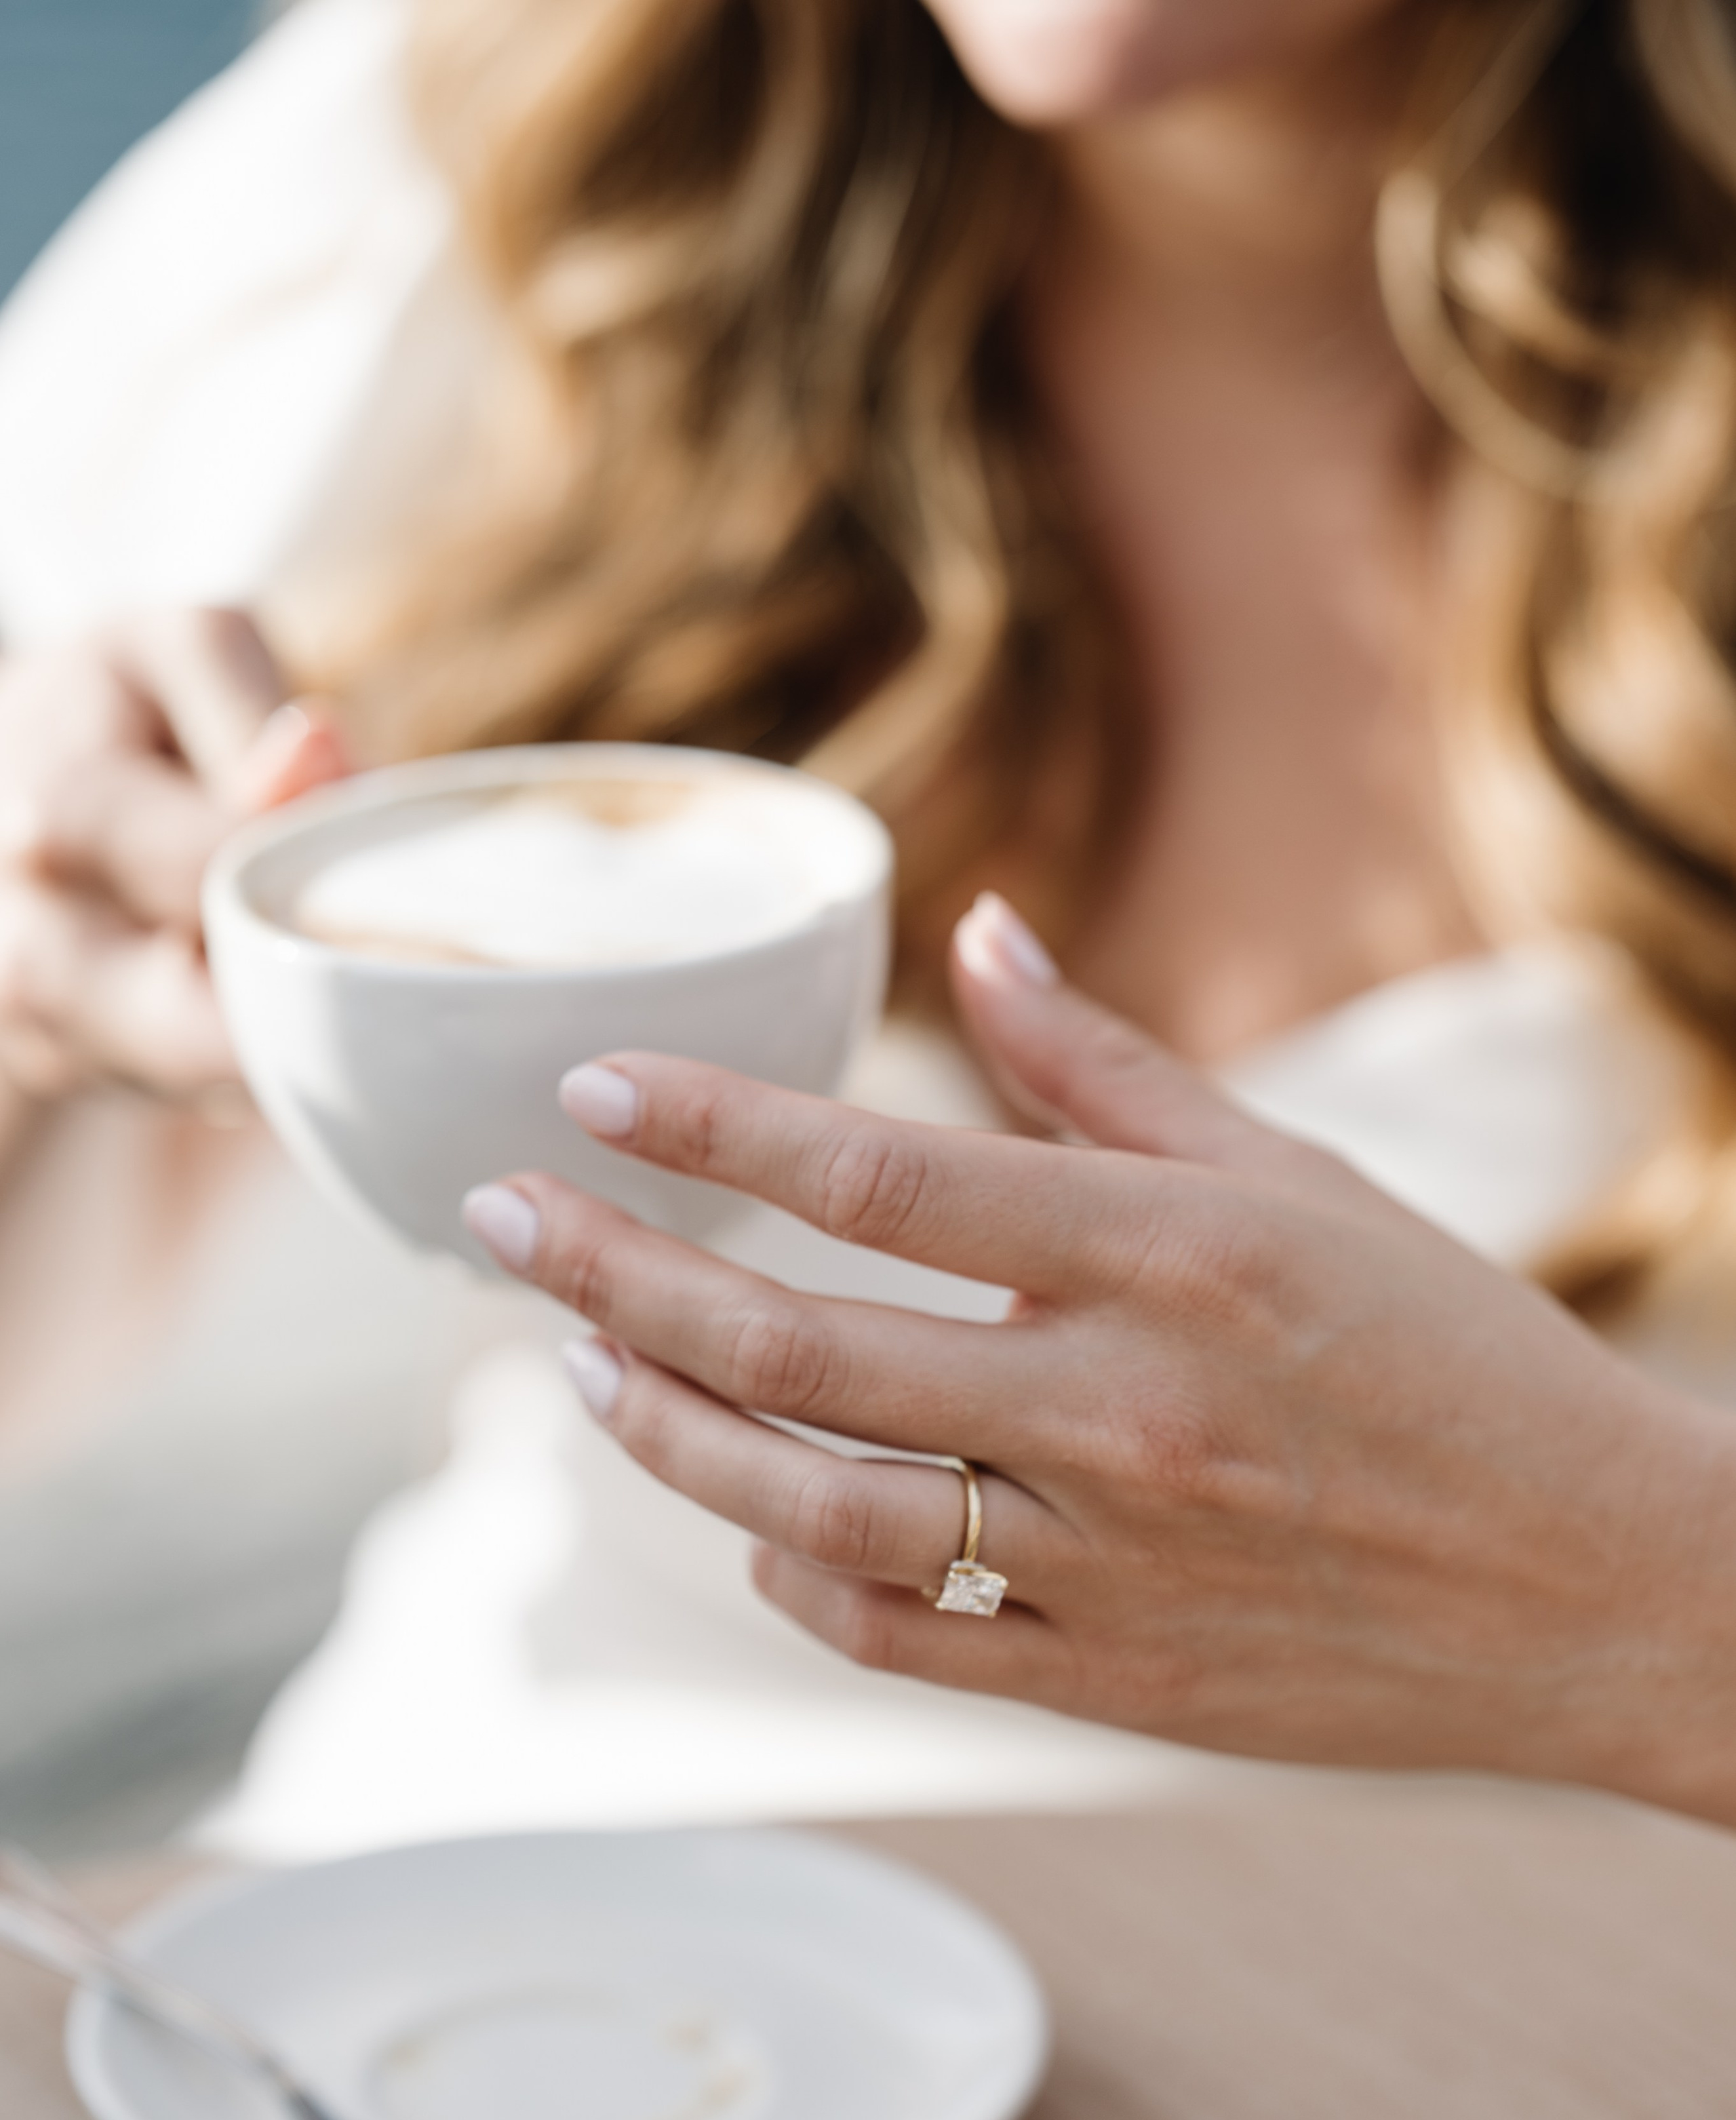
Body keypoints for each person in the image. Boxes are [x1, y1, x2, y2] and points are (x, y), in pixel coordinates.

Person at [2, 0, 1734, 1848]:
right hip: (495, 1935)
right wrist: (34, 1001)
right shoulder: (455, 178)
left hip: (1555, 2051)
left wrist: (1643, 1622)